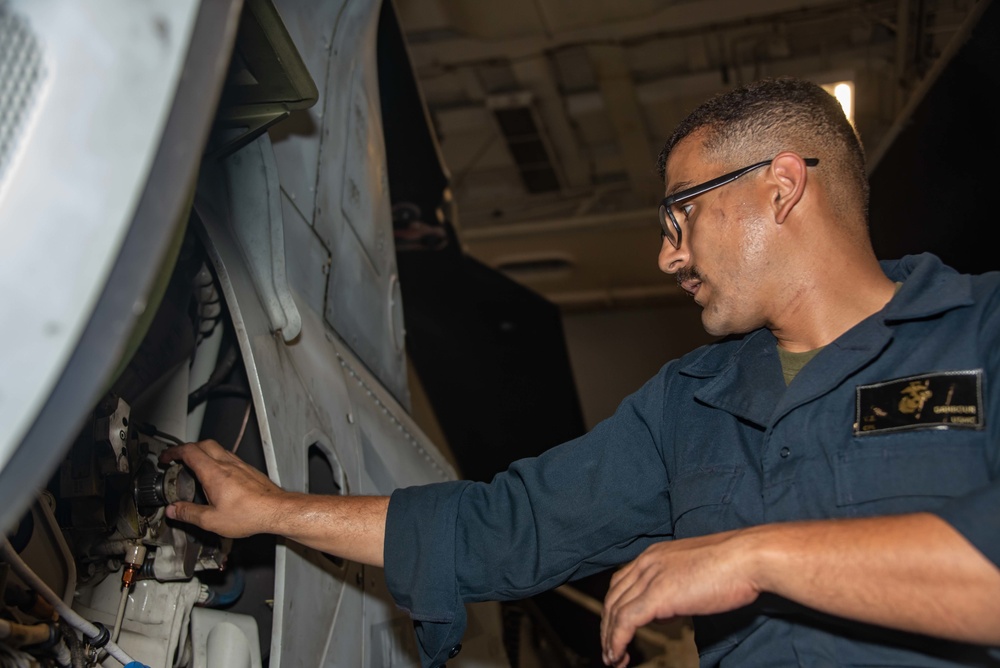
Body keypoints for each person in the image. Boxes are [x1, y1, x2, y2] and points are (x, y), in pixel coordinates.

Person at [161, 77, 1000, 668]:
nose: (667, 255)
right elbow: (504, 526)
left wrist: (754, 558)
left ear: (780, 188)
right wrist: (274, 509)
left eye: (682, 215)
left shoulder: (982, 331)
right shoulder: (691, 404)